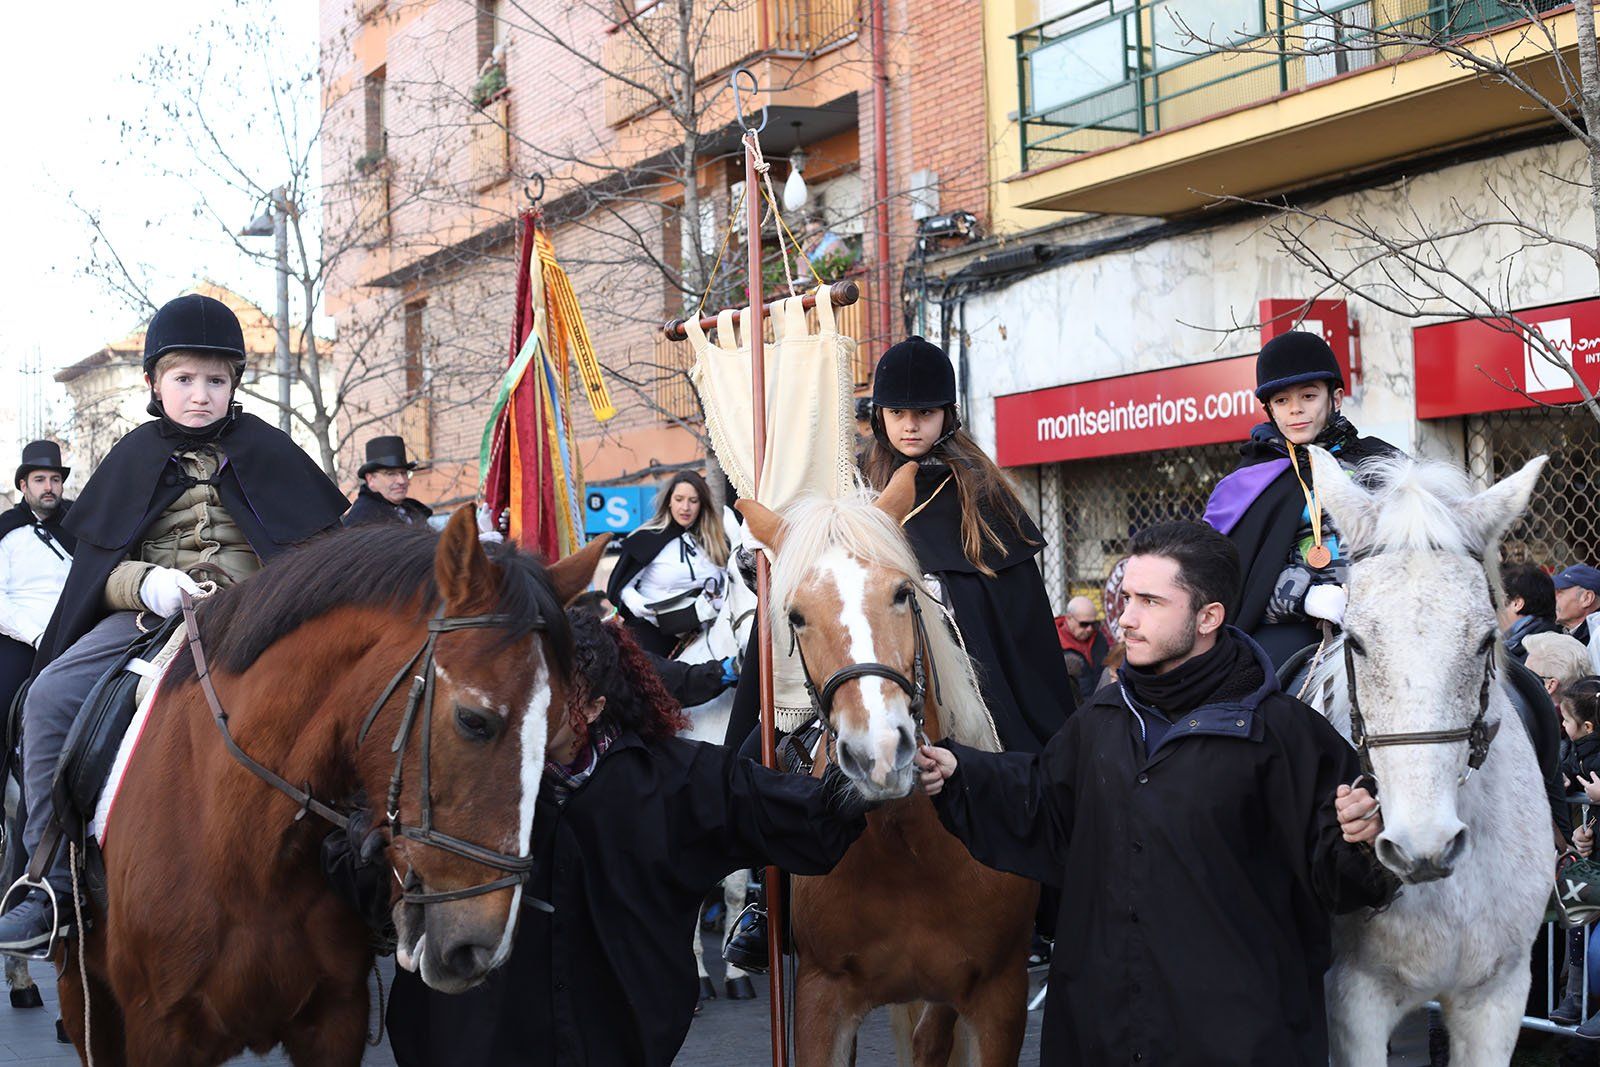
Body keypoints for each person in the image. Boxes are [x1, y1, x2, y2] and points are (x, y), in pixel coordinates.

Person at [914, 520, 1396, 1066]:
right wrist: (962, 774)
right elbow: (1045, 808)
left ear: (1208, 616)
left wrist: (1362, 840)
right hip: (1103, 1035)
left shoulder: (1287, 736)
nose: (1126, 618)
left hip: (1240, 1042)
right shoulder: (1099, 718)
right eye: (1125, 598)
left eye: (1150, 601)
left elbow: (1343, 883)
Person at [0, 293, 349, 954]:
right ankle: (48, 884)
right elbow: (96, 568)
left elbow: (315, 553)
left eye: (215, 380)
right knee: (45, 698)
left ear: (234, 385)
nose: (200, 394)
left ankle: (360, 872)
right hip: (147, 615)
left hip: (260, 617)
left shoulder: (274, 453)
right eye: (184, 378)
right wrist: (148, 583)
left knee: (355, 697)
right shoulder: (131, 456)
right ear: (154, 383)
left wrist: (263, 594)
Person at [384, 608, 867, 1066]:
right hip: (474, 1050)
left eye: (548, 692)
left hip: (618, 1046)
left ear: (593, 707)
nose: (525, 705)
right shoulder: (462, 778)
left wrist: (875, 771)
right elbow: (363, 870)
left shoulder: (680, 782)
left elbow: (811, 819)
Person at [1204, 331, 1400, 669]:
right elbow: (1228, 577)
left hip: (1387, 613)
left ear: (1335, 398)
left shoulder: (1383, 462)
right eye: (1282, 401)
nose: (1295, 410)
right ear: (1269, 410)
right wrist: (1304, 597)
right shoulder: (1246, 482)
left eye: (1308, 396)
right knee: (1259, 692)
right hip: (1292, 626)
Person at [604, 470, 737, 658]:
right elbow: (621, 584)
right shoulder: (647, 538)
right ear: (669, 501)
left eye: (693, 501)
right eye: (679, 499)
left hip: (705, 634)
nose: (685, 507)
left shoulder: (715, 542)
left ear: (702, 505)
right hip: (653, 635)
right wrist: (637, 603)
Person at [0, 442, 75, 715]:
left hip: (76, 634)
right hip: (21, 638)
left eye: (55, 480)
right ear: (23, 486)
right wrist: (36, 635)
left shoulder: (77, 524)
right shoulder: (6, 529)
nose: (49, 487)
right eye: (40, 480)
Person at [568, 589, 738, 708]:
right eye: (614, 616)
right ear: (597, 627)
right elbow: (681, 681)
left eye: (618, 612)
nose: (621, 620)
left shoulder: (575, 669)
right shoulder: (623, 662)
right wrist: (726, 669)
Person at [342, 435, 432, 527]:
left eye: (404, 473)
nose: (402, 481)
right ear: (371, 479)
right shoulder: (360, 519)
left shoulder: (412, 509)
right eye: (391, 474)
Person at [1501, 562, 1560, 663]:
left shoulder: (1543, 651)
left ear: (1517, 603)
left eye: (1496, 600)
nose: (1492, 610)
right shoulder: (1516, 644)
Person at [1055, 595, 1109, 704]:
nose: (1090, 629)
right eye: (1084, 624)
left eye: (1094, 624)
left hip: (1101, 704)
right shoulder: (1053, 643)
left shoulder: (1099, 639)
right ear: (1069, 618)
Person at [1554, 564, 1600, 673]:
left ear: (1587, 598)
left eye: (1560, 592)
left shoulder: (1597, 637)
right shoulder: (1558, 632)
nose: (1553, 598)